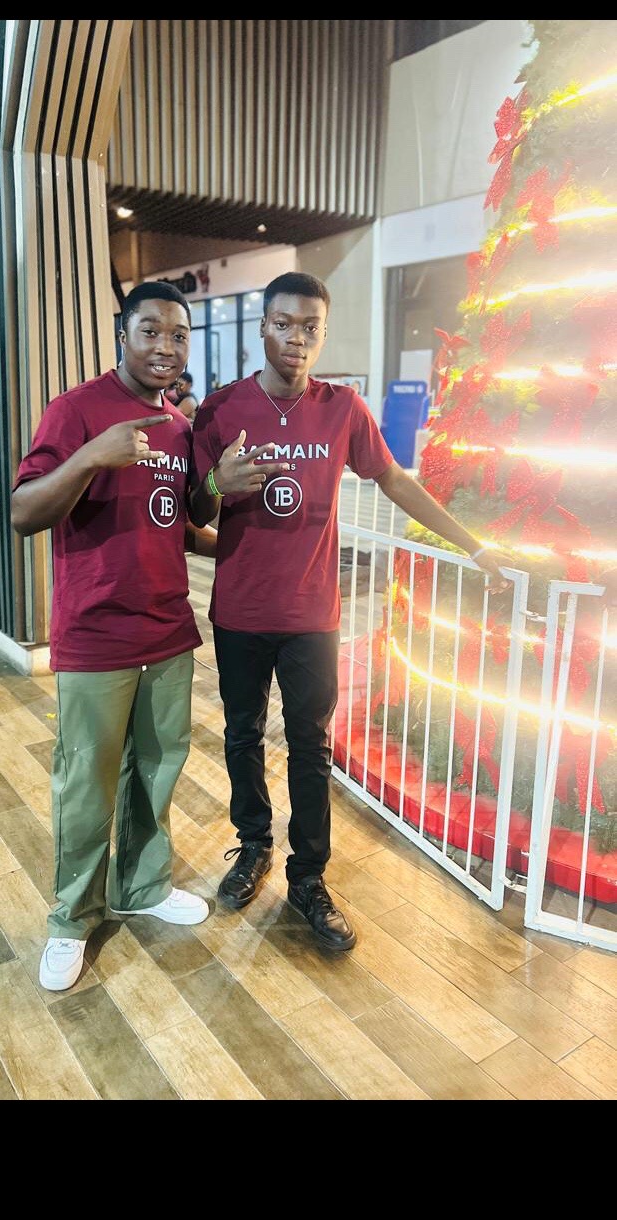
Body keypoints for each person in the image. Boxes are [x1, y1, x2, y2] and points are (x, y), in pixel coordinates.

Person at [189, 271, 508, 954]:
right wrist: (219, 481)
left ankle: (308, 878)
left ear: (323, 333)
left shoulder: (342, 409)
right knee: (243, 733)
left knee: (311, 746)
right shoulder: (219, 410)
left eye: (309, 327)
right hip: (240, 608)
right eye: (283, 324)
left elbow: (394, 480)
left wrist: (473, 544)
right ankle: (253, 845)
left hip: (313, 614)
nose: (296, 338)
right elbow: (194, 507)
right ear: (262, 327)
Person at [11, 280, 212, 995]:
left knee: (156, 771)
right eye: (150, 331)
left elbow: (176, 524)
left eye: (179, 335)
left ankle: (143, 885)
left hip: (168, 629)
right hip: (95, 633)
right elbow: (23, 512)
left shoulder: (180, 428)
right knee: (85, 787)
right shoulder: (76, 410)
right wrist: (91, 456)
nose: (166, 347)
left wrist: (247, 534)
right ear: (122, 335)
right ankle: (72, 918)